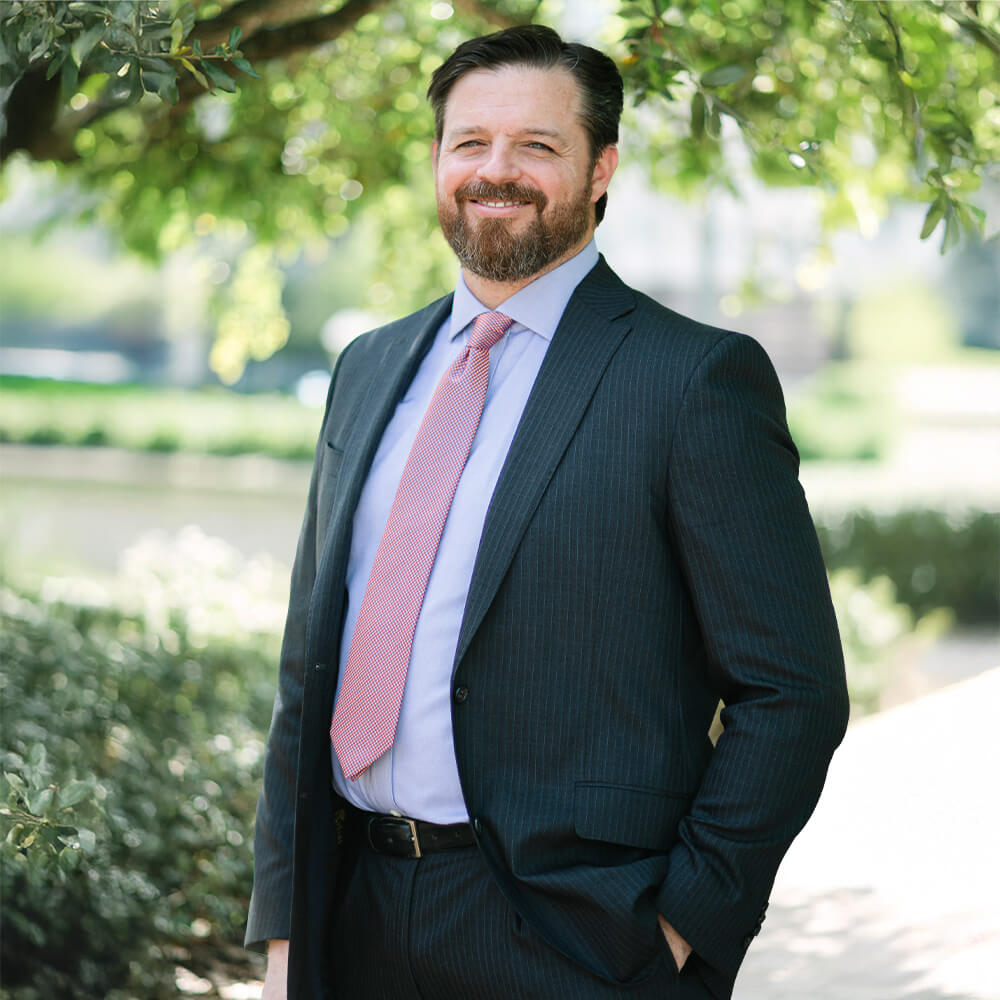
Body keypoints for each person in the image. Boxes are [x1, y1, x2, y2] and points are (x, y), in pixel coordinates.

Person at [245, 24, 848, 1000]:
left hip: (574, 942)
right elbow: (306, 667)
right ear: (437, 160)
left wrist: (680, 927)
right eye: (469, 141)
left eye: (537, 145)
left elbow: (794, 691)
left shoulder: (691, 380)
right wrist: (283, 936)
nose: (497, 170)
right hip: (352, 919)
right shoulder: (366, 370)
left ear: (600, 167)